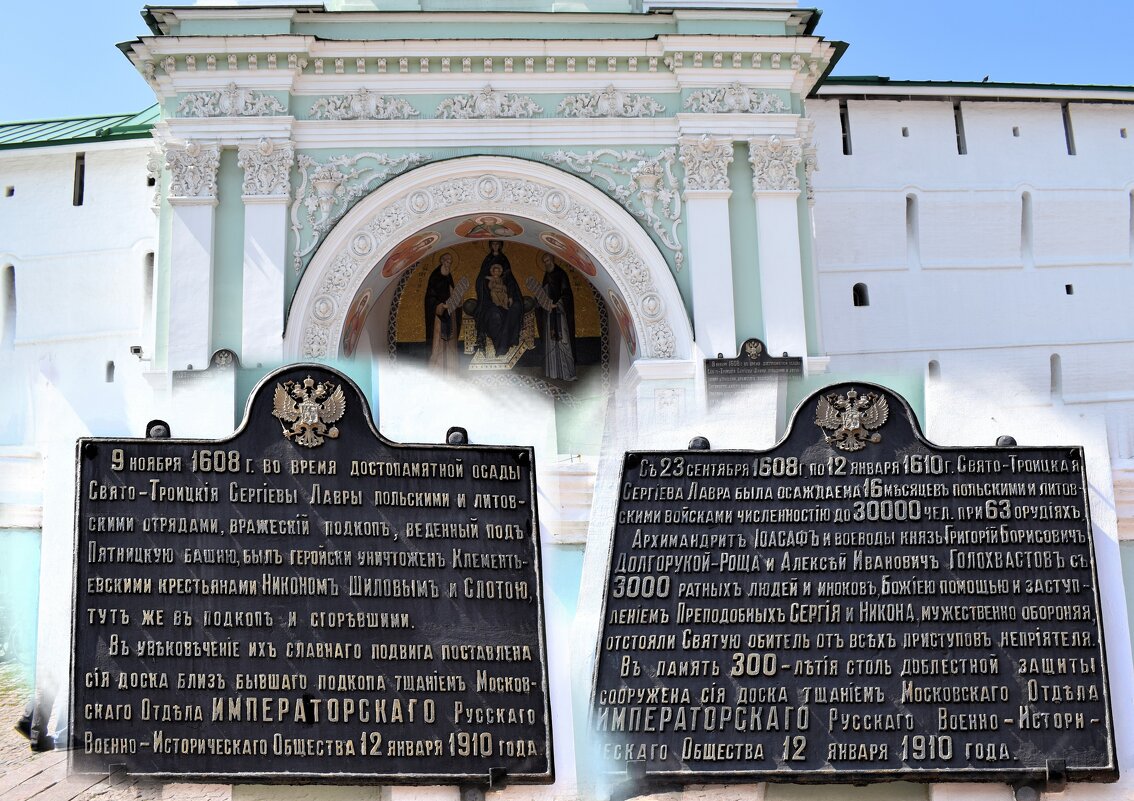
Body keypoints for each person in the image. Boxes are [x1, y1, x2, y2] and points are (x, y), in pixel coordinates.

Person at [475, 250, 524, 355]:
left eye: (499, 271)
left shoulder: (505, 280)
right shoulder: (487, 280)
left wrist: (509, 295)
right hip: (493, 303)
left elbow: (509, 287)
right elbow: (488, 287)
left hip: (504, 303)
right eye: (494, 271)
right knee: (495, 315)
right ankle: (501, 346)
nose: (497, 273)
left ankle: (502, 345)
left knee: (513, 309)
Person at [538, 252, 577, 380]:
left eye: (548, 260)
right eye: (544, 261)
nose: (546, 263)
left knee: (563, 341)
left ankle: (568, 373)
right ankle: (553, 372)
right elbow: (543, 294)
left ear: (553, 259)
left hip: (561, 315)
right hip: (550, 316)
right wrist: (542, 302)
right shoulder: (546, 276)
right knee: (551, 342)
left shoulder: (561, 274)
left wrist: (558, 304)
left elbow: (567, 295)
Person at [423, 253, 461, 371]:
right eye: (447, 261)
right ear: (442, 261)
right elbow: (430, 297)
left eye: (450, 261)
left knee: (450, 340)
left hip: (450, 313)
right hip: (439, 316)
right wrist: (439, 305)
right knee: (438, 339)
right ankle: (436, 366)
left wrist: (457, 300)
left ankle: (451, 366)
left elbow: (452, 293)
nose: (448, 263)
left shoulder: (448, 276)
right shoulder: (435, 277)